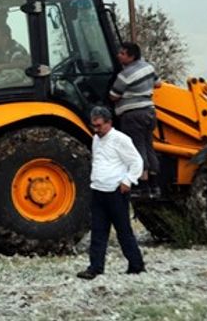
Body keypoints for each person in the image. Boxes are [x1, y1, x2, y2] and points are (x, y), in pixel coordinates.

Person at [77, 106, 145, 280]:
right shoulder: (96, 140)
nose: (96, 129)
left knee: (123, 231)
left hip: (116, 192)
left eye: (99, 125)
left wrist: (128, 180)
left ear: (109, 123)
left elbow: (136, 161)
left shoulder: (121, 139)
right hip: (98, 190)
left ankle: (136, 265)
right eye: (94, 126)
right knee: (98, 232)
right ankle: (95, 267)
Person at [109, 42, 161, 197]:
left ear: (131, 56)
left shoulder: (124, 75)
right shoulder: (148, 67)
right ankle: (155, 186)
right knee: (148, 147)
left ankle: (141, 187)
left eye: (122, 53)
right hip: (150, 113)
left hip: (133, 115)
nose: (119, 55)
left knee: (137, 150)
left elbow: (113, 95)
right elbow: (158, 84)